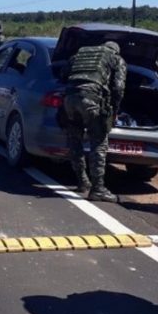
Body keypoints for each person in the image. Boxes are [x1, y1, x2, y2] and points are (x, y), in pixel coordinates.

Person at [61, 41, 127, 203]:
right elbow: (118, 87)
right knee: (99, 142)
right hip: (92, 100)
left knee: (74, 139)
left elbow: (62, 75)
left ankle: (82, 181)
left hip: (69, 99)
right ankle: (98, 189)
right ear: (115, 51)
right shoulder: (116, 59)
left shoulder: (79, 54)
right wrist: (114, 111)